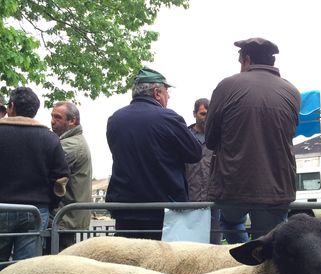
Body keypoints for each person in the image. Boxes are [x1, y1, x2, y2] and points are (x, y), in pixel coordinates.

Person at [205, 37, 301, 243]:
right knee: (270, 241)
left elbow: (210, 139)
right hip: (277, 185)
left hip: (233, 184)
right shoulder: (292, 92)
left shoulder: (227, 86)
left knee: (230, 223)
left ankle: (244, 258)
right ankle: (260, 265)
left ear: (246, 60)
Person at [106, 67, 202, 240]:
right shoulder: (168, 118)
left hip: (125, 209)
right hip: (162, 211)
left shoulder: (115, 119)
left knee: (128, 262)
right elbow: (195, 153)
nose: (169, 97)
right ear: (157, 93)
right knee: (161, 264)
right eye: (167, 92)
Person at [0, 87, 69, 264]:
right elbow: (61, 178)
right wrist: (49, 203)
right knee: (26, 268)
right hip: (35, 210)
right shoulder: (49, 138)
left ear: (12, 106)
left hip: (2, 207)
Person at [47, 101, 92, 251]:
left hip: (63, 218)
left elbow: (46, 172)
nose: (52, 121)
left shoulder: (69, 146)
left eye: (58, 117)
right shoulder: (71, 142)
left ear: (72, 121)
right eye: (52, 116)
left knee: (55, 264)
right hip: (66, 218)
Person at [185, 98, 222, 244]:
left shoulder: (219, 138)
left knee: (213, 246)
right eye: (203, 114)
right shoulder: (184, 136)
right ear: (194, 114)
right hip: (189, 201)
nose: (206, 118)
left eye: (209, 114)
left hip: (212, 201)